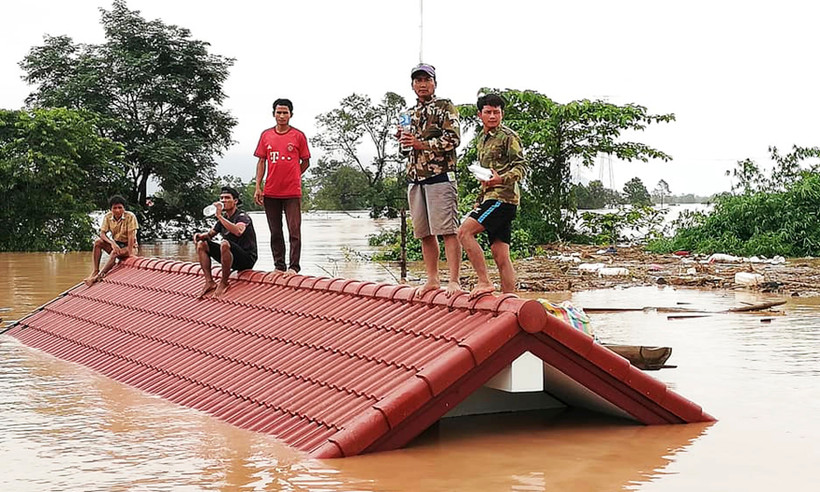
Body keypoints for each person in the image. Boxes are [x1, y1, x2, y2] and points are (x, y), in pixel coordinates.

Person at [399, 63, 462, 297]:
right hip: (415, 178)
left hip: (440, 175)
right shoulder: (408, 113)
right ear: (412, 85)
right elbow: (404, 151)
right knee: (424, 232)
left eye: (426, 80)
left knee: (447, 230)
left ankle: (454, 280)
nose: (422, 84)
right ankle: (433, 279)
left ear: (434, 82)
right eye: (418, 80)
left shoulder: (445, 107)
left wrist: (421, 144)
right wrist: (403, 140)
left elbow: (453, 140)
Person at [457, 94, 528, 298]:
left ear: (502, 114)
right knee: (500, 255)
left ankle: (484, 281)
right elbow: (486, 173)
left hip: (502, 199)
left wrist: (501, 179)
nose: (492, 116)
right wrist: (481, 194)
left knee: (464, 233)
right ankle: (509, 300)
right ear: (480, 114)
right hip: (489, 197)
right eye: (488, 112)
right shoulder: (482, 139)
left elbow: (522, 166)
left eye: (496, 112)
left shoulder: (508, 136)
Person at [253, 98, 311, 277]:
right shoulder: (266, 135)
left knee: (294, 230)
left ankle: (294, 267)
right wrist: (258, 186)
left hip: (292, 191)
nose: (282, 116)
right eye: (279, 112)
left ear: (291, 115)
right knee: (275, 231)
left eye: (285, 112)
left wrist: (294, 175)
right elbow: (261, 161)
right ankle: (279, 266)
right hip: (271, 191)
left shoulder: (298, 136)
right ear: (273, 114)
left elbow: (306, 161)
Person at [194, 186, 258, 298]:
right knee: (202, 244)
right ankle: (209, 282)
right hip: (230, 255)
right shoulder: (223, 219)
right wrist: (200, 236)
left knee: (224, 243)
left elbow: (238, 231)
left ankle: (224, 282)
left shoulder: (242, 216)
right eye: (222, 198)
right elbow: (210, 235)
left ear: (235, 201)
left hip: (246, 258)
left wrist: (219, 216)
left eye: (227, 198)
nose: (223, 201)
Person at [84, 195, 139, 286]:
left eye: (120, 208)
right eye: (115, 208)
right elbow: (102, 234)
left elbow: (131, 237)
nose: (117, 210)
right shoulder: (108, 216)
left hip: (129, 246)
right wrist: (112, 243)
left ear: (124, 208)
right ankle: (95, 270)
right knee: (98, 242)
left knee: (114, 253)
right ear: (111, 209)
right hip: (116, 244)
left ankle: (98, 276)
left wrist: (130, 253)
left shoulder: (130, 216)